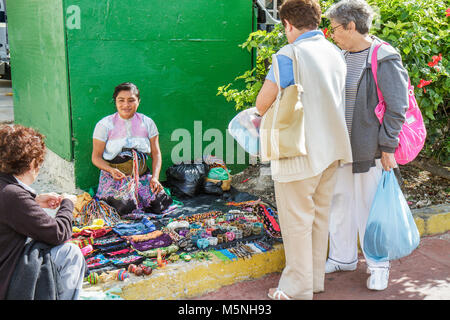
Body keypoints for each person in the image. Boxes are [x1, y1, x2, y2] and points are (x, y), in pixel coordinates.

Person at [255, 0, 352, 300]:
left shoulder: (289, 54)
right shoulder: (336, 53)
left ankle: (296, 289)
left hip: (297, 151)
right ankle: (313, 280)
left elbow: (262, 103)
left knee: (296, 223)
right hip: (331, 149)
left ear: (288, 24)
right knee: (318, 218)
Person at [324, 0, 409, 291]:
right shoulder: (340, 56)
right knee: (339, 204)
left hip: (370, 151)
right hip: (340, 148)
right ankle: (342, 257)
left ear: (350, 26)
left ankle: (378, 265)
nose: (331, 33)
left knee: (369, 209)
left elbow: (398, 108)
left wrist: (387, 148)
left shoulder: (384, 56)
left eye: (335, 28)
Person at [0, 124, 85, 300]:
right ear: (32, 164)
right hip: (7, 278)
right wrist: (68, 204)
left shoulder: (8, 190)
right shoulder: (12, 195)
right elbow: (58, 233)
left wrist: (34, 201)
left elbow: (11, 211)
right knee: (70, 253)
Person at [92, 82, 168, 215]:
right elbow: (96, 157)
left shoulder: (147, 122)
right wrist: (111, 170)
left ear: (138, 101)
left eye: (131, 100)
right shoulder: (104, 125)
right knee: (126, 206)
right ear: (115, 102)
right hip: (116, 179)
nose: (126, 105)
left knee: (159, 202)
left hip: (142, 177)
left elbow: (156, 154)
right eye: (121, 100)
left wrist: (155, 178)